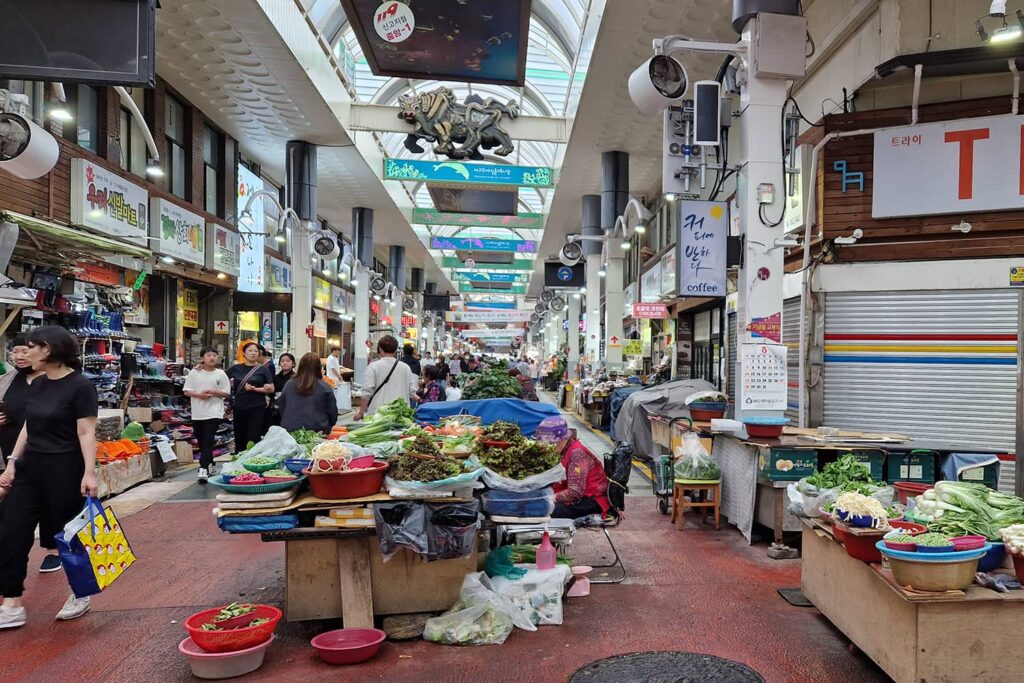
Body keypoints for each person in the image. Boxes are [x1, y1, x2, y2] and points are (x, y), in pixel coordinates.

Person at [0, 326, 100, 628]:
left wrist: (89, 473)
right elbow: (28, 428)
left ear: (49, 349)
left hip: (65, 468)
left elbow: (86, 432)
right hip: (30, 469)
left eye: (31, 347)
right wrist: (13, 462)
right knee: (11, 533)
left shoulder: (80, 386)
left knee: (69, 537)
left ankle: (81, 592)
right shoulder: (38, 384)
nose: (24, 352)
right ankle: (12, 602)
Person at [0, 337, 53, 572]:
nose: (19, 356)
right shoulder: (6, 380)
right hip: (9, 451)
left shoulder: (50, 380)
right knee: (12, 508)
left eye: (25, 351)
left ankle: (53, 549)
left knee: (47, 501)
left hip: (44, 451)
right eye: (15, 351)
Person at [534, 416, 611, 519]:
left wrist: (550, 498)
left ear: (562, 439)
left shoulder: (577, 454)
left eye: (550, 442)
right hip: (578, 495)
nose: (546, 446)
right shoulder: (563, 450)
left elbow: (575, 492)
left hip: (590, 500)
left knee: (543, 511)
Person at [183, 347, 230, 483]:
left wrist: (214, 392)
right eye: (209, 355)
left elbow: (226, 393)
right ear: (203, 358)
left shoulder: (220, 374)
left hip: (214, 412)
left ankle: (202, 468)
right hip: (198, 412)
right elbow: (186, 390)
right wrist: (200, 395)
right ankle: (210, 463)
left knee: (208, 439)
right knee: (202, 440)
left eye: (214, 355)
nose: (212, 358)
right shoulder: (194, 373)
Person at [355, 335, 417, 420]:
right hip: (401, 416)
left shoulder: (373, 367)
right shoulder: (405, 367)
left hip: (378, 415)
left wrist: (361, 413)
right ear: (396, 350)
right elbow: (412, 392)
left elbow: (366, 392)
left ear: (380, 349)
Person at [227, 342, 274, 453]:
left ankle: (253, 462)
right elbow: (221, 379)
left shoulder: (263, 370)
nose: (253, 353)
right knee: (239, 436)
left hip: (257, 407)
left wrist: (256, 389)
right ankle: (238, 463)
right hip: (239, 407)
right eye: (250, 350)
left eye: (256, 351)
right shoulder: (235, 369)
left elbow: (271, 388)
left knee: (253, 436)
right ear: (244, 353)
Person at [277, 353, 338, 434]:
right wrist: (328, 425)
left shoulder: (289, 384)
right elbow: (332, 411)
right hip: (317, 429)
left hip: (290, 428)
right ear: (318, 367)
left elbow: (281, 406)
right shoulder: (324, 387)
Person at [267, 353, 296, 428]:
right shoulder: (275, 377)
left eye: (288, 361)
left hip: (290, 407)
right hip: (276, 408)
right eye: (282, 361)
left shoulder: (296, 378)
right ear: (279, 363)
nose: (285, 363)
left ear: (293, 364)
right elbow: (271, 393)